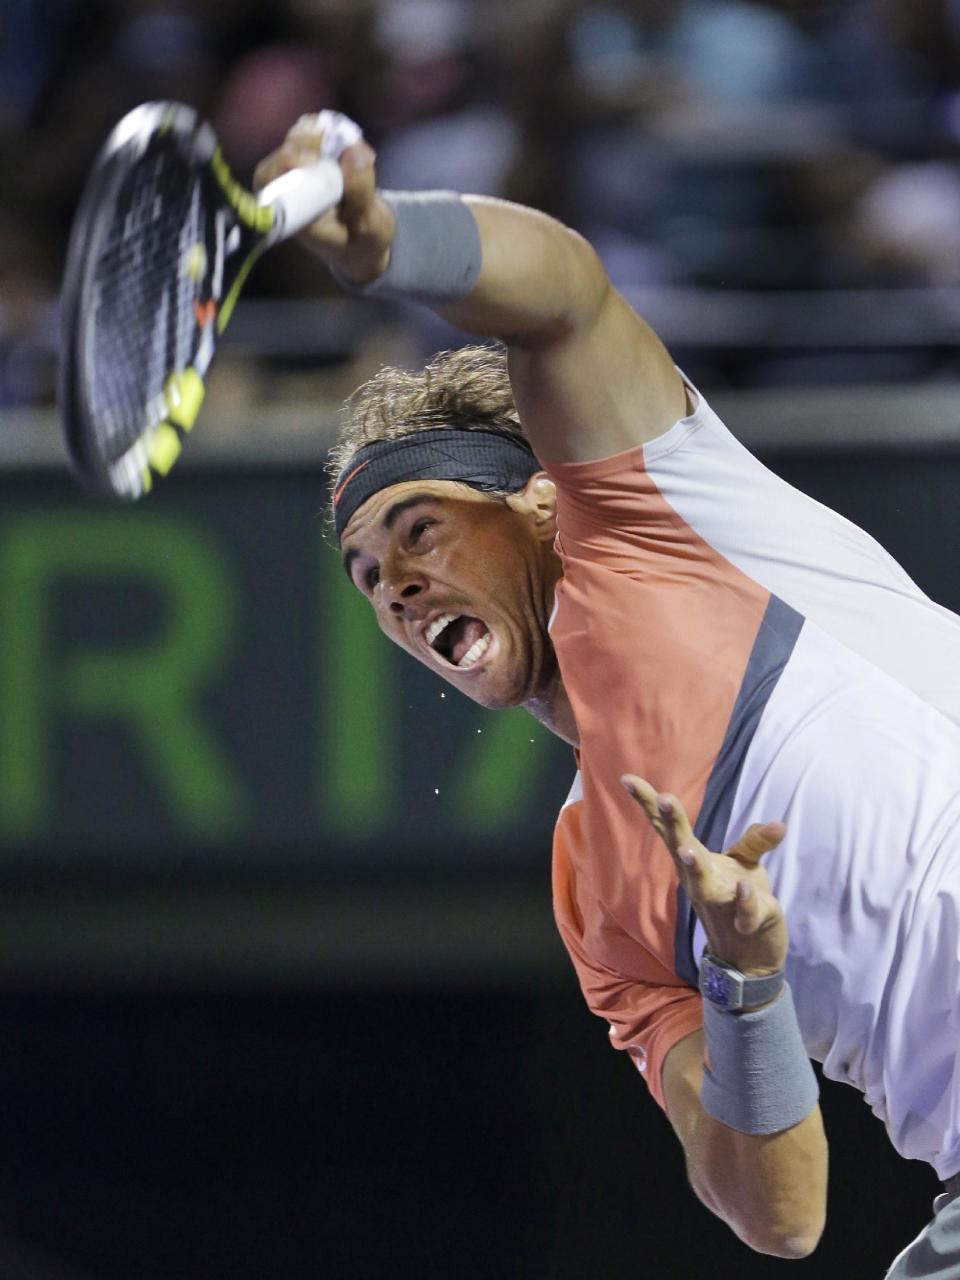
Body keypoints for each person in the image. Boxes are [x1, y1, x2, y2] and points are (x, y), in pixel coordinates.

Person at [254, 112, 960, 1274]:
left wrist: (386, 242)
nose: (400, 588)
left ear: (537, 499)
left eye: (421, 529)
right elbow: (777, 1213)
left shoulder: (660, 515)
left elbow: (565, 292)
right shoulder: (597, 884)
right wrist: (743, 978)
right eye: (373, 580)